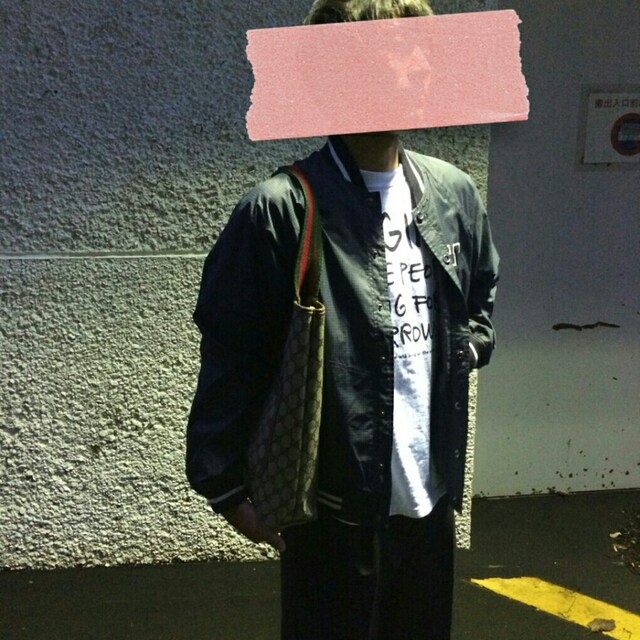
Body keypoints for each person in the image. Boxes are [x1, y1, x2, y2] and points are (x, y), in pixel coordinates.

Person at [186, 1, 500, 638]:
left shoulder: (453, 194)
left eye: (422, 48)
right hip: (329, 516)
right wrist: (225, 489)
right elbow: (232, 352)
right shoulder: (281, 210)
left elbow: (480, 296)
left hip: (430, 506)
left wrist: (466, 347)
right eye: (396, 51)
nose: (419, 67)